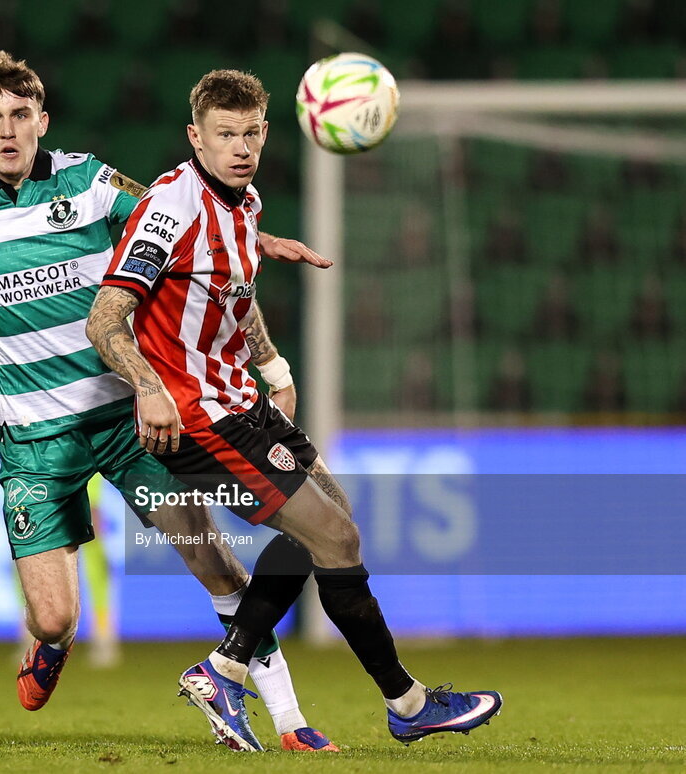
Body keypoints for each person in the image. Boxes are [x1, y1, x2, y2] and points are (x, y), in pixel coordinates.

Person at [0, 51, 338, 752]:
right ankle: (53, 643)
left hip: (129, 422)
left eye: (20, 116)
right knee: (51, 618)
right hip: (34, 444)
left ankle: (287, 720)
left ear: (42, 122)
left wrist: (248, 243)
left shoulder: (92, 182)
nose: (8, 131)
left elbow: (189, 225)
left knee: (215, 563)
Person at [87, 69, 502, 752]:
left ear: (267, 132)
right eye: (224, 134)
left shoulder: (244, 202)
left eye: (250, 132)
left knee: (333, 520)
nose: (240, 146)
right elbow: (105, 319)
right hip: (199, 416)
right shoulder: (169, 208)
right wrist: (148, 386)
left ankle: (224, 666)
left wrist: (272, 365)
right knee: (332, 539)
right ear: (196, 137)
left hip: (242, 399)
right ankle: (409, 703)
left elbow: (235, 294)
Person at [0, 325, 119, 667]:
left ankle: (103, 626)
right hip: (27, 424)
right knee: (28, 525)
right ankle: (30, 629)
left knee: (91, 524)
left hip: (83, 416)